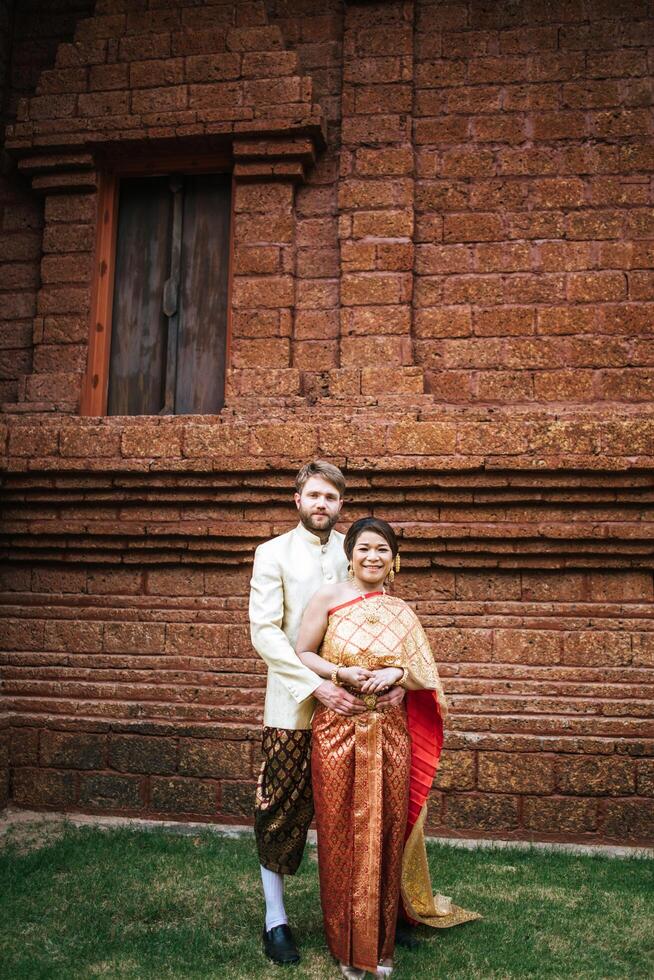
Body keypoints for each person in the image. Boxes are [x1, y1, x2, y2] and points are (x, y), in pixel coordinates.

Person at [295, 517, 479, 979]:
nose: (372, 557)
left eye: (381, 549)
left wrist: (397, 676)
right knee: (340, 835)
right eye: (363, 548)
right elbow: (303, 653)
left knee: (386, 830)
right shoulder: (328, 598)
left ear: (393, 558)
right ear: (349, 554)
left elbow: (425, 674)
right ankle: (345, 945)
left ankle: (378, 942)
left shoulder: (402, 611)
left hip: (392, 734)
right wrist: (342, 674)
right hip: (338, 729)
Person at [249, 464, 406, 966]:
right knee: (279, 812)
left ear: (341, 503)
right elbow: (266, 633)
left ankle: (372, 917)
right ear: (297, 499)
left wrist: (393, 678)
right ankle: (276, 921)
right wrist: (316, 682)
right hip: (294, 705)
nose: (322, 504)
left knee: (367, 809)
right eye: (314, 495)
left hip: (361, 710)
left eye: (332, 497)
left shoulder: (357, 549)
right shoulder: (271, 554)